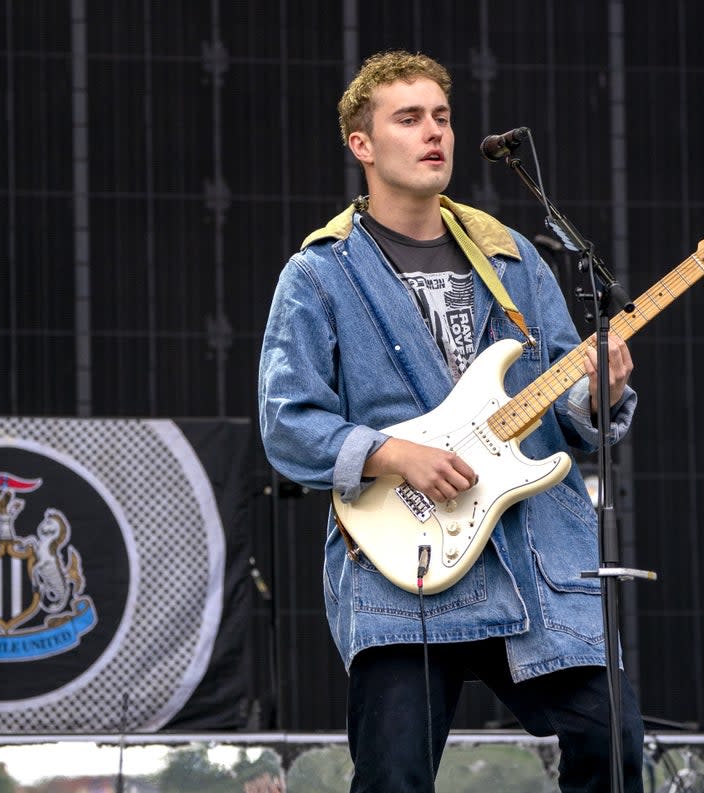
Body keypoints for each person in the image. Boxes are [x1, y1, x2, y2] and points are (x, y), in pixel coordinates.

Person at [258, 50, 643, 793]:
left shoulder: (513, 255)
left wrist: (596, 395)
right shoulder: (319, 274)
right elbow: (287, 422)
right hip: (405, 571)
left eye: (442, 116)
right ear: (362, 144)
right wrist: (393, 454)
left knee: (616, 742)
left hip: (531, 558)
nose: (434, 132)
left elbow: (563, 403)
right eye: (409, 118)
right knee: (394, 775)